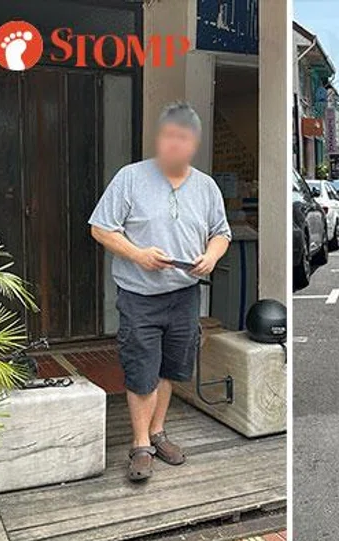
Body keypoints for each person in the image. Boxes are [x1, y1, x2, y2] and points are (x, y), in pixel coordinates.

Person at [89, 102, 232, 482]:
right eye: (170, 135)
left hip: (184, 294)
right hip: (139, 296)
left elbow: (222, 232)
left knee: (169, 367)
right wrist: (138, 255)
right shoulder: (130, 178)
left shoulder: (206, 186)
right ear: (160, 138)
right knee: (141, 369)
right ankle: (139, 445)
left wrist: (211, 258)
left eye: (183, 137)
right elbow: (101, 228)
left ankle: (157, 432)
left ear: (193, 142)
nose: (176, 143)